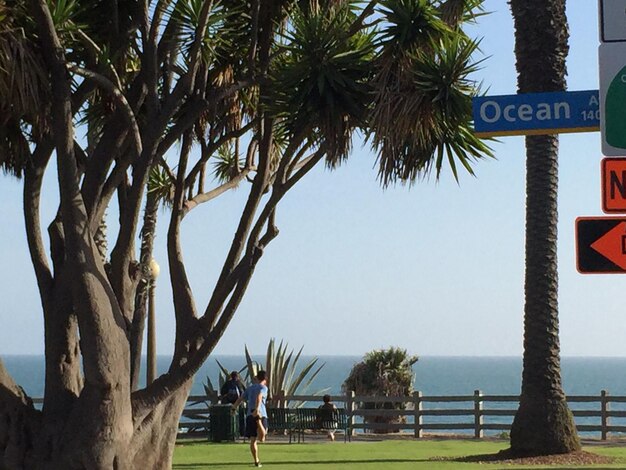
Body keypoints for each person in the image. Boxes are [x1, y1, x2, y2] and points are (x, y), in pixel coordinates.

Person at [231, 370, 269, 468]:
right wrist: (257, 409)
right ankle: (258, 421)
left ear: (257, 378)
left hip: (249, 415)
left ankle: (256, 460)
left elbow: (240, 398)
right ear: (265, 379)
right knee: (262, 438)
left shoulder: (250, 388)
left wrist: (234, 407)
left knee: (253, 440)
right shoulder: (264, 387)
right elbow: (260, 396)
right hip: (260, 414)